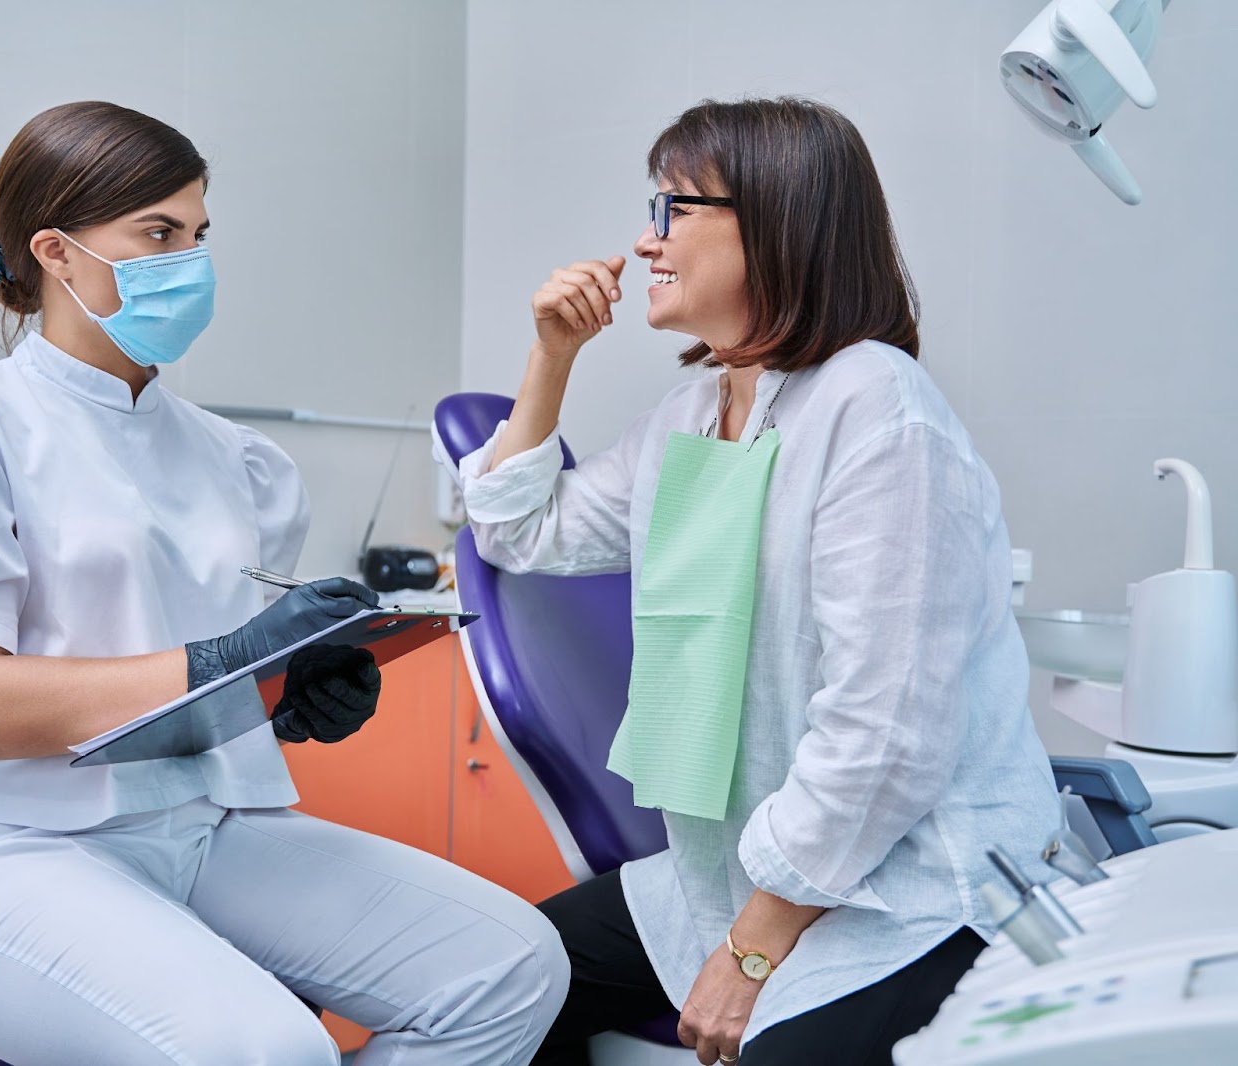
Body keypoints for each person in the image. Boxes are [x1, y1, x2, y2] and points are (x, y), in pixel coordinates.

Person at [0, 100, 568, 1066]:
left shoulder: (239, 462)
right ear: (56, 252)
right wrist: (224, 662)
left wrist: (287, 693)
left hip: (207, 829)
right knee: (269, 1052)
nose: (190, 260)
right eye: (157, 233)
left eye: (198, 233)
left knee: (513, 965)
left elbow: (212, 681)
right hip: (1, 847)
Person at [449, 97, 1059, 1065]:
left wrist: (754, 943)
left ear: (775, 222)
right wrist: (550, 356)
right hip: (729, 877)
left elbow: (884, 736)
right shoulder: (691, 416)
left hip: (906, 885)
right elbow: (517, 528)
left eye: (673, 210)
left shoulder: (878, 409)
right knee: (501, 980)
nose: (646, 243)